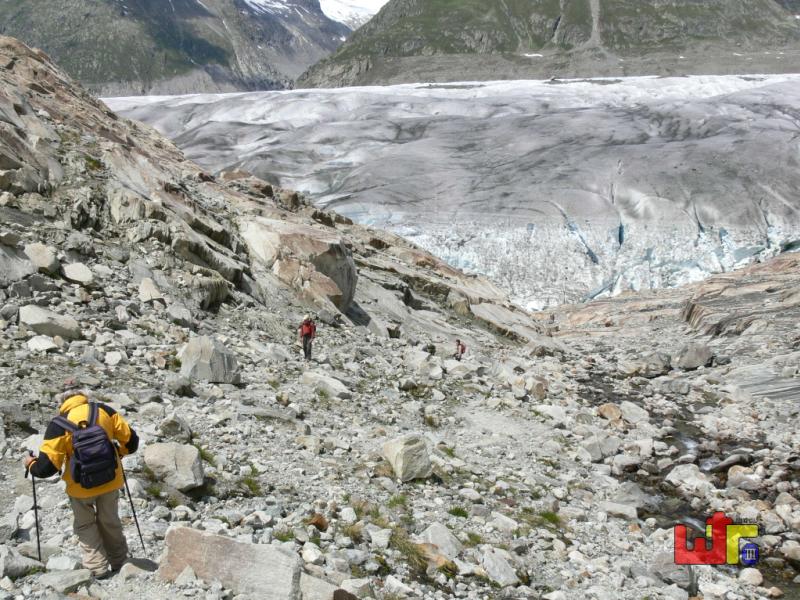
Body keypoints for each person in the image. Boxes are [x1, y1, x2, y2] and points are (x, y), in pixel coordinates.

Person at [23, 385, 139, 578]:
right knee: (110, 520)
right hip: (110, 479)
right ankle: (120, 562)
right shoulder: (104, 410)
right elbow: (132, 442)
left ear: (62, 403)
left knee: (85, 525)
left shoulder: (58, 424)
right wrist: (119, 453)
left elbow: (46, 468)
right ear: (84, 397)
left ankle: (97, 567)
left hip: (80, 487)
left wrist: (31, 463)